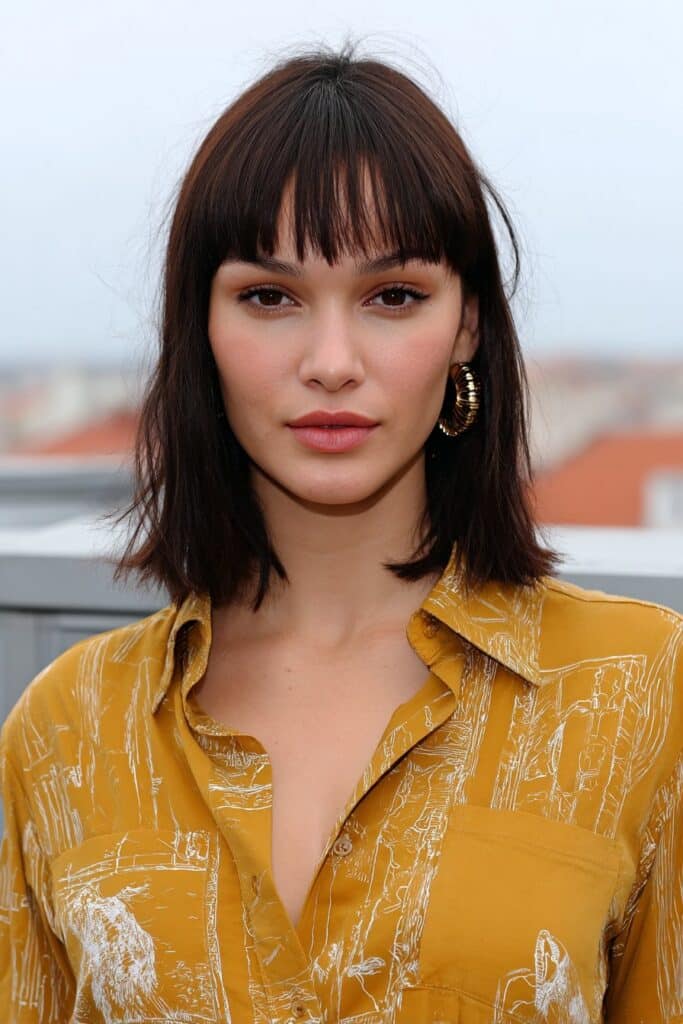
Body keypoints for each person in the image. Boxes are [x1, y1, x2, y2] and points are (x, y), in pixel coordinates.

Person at [1, 40, 681, 1024]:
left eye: (392, 296)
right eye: (268, 296)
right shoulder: (67, 732)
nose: (330, 361)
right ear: (200, 328)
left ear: (466, 326)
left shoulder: (639, 693)